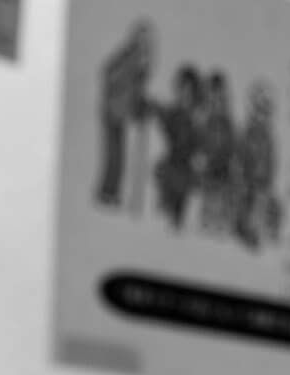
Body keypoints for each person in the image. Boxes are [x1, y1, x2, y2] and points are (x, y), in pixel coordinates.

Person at [96, 23, 154, 209]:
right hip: (113, 111)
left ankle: (111, 192)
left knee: (118, 155)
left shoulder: (139, 61)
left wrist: (138, 106)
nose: (145, 44)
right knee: (114, 155)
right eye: (142, 39)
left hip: (119, 112)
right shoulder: (129, 57)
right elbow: (110, 75)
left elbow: (136, 90)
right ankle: (107, 192)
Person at [152, 66, 202, 231]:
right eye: (182, 90)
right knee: (165, 180)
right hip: (172, 161)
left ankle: (176, 220)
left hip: (185, 166)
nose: (184, 96)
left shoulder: (196, 119)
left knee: (181, 195)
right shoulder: (173, 113)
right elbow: (163, 116)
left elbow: (198, 142)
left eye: (189, 93)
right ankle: (165, 211)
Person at [234, 82, 280, 250]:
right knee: (247, 205)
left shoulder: (268, 137)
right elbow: (240, 155)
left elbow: (271, 162)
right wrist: (241, 178)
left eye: (266, 110)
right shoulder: (247, 132)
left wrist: (268, 182)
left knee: (261, 206)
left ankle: (255, 233)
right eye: (259, 108)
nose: (262, 114)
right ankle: (244, 231)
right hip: (247, 182)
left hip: (262, 184)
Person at [197, 71, 236, 236]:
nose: (216, 102)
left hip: (224, 163)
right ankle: (207, 218)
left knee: (222, 191)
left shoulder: (227, 122)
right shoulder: (206, 121)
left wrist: (232, 158)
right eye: (212, 98)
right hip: (210, 163)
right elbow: (201, 140)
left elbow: (232, 141)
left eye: (219, 98)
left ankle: (220, 220)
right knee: (209, 190)